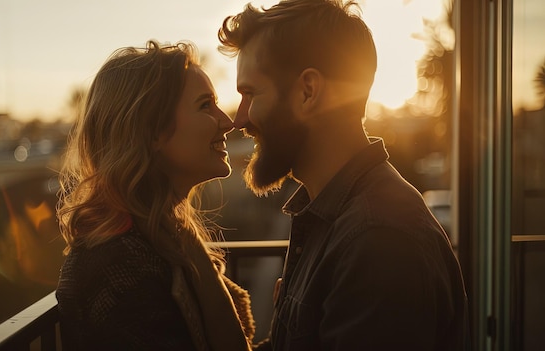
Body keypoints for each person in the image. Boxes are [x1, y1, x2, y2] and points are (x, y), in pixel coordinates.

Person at [218, 0, 469, 350]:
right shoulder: (333, 213)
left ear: (308, 91)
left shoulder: (379, 241)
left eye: (250, 94)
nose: (239, 119)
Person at [55, 40, 255, 351]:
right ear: (151, 131)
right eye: (205, 105)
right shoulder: (117, 266)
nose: (227, 122)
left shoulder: (166, 238)